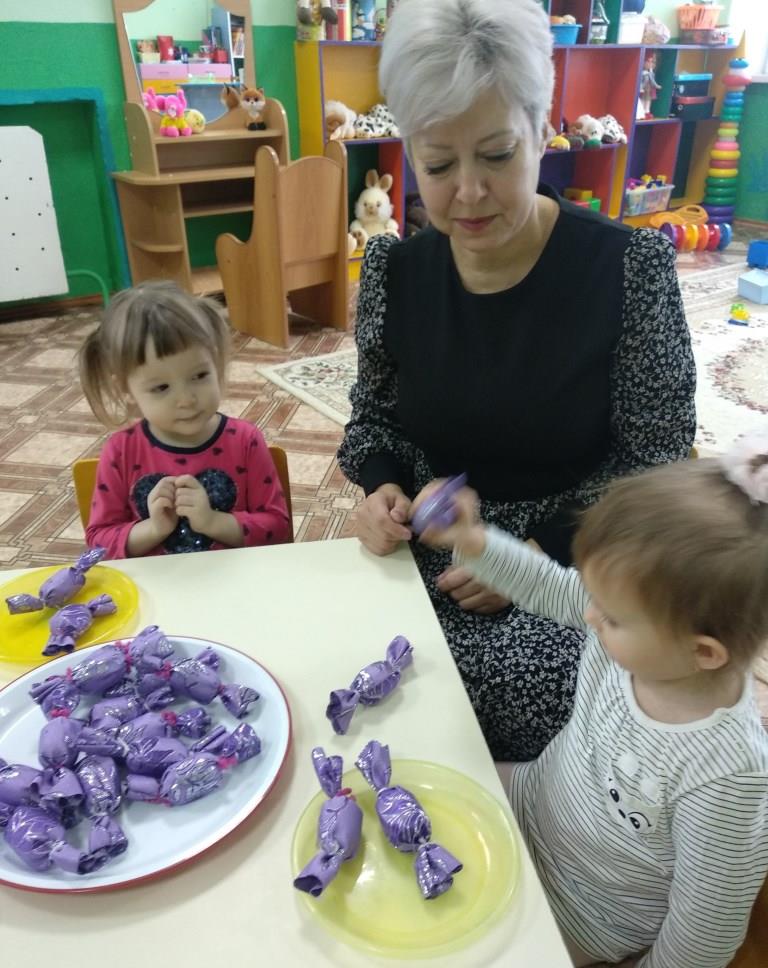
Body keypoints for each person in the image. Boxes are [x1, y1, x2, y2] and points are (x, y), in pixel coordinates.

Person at [337, 0, 696, 761]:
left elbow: (655, 459)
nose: (468, 192)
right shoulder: (395, 272)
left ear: (542, 130)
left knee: (505, 696)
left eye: (497, 155)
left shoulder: (626, 270)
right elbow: (374, 419)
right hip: (432, 543)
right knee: (354, 670)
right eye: (438, 165)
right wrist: (382, 488)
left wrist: (530, 553)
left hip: (574, 556)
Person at [414, 430, 768, 968]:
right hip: (532, 800)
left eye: (612, 615)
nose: (588, 613)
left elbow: (704, 933)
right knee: (427, 790)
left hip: (584, 913)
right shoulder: (636, 636)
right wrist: (474, 539)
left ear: (704, 651)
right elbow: (550, 585)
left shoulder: (727, 777)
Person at [78, 281, 290, 558]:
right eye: (161, 387)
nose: (187, 400)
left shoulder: (245, 440)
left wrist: (212, 522)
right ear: (125, 390)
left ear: (216, 362)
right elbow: (98, 545)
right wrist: (154, 528)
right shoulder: (121, 451)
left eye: (200, 375)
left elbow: (278, 528)